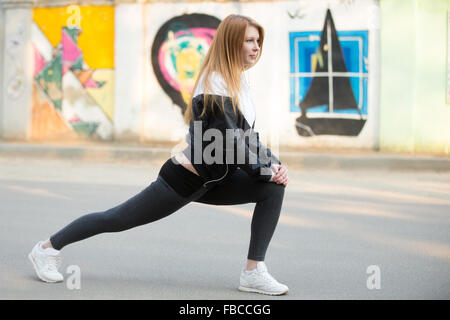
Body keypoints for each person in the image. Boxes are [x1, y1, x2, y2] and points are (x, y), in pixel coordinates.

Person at [28, 14, 290, 296]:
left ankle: (253, 272)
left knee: (272, 189)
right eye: (249, 40)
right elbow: (228, 141)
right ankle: (47, 248)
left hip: (215, 180)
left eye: (258, 41)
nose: (256, 47)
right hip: (184, 181)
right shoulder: (215, 82)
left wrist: (274, 166)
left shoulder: (238, 83)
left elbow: (247, 137)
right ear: (231, 42)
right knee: (116, 219)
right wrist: (263, 169)